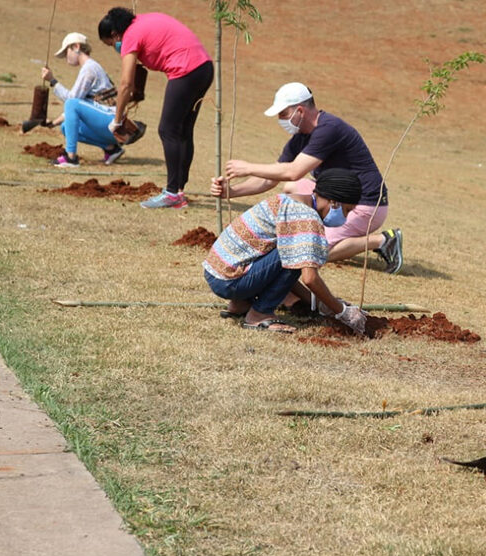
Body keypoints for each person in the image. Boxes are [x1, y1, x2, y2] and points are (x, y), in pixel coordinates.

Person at [209, 82, 403, 274]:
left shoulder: (329, 129)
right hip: (335, 200)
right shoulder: (301, 137)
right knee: (290, 187)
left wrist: (249, 167)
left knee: (313, 252)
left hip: (366, 205)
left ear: (300, 111)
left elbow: (294, 171)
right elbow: (271, 179)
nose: (280, 120)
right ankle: (317, 231)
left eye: (283, 114)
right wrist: (231, 192)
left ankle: (383, 241)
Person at [203, 168, 368, 334]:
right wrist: (342, 312)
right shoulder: (306, 217)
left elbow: (277, 271)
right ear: (334, 202)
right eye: (347, 210)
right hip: (230, 281)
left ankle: (239, 304)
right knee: (297, 253)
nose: (345, 217)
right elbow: (309, 278)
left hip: (216, 272)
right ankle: (259, 314)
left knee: (292, 251)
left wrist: (320, 304)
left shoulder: (287, 200)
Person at [98, 7, 214, 209]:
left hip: (185, 70)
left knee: (167, 130)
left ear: (115, 34)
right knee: (183, 131)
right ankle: (178, 190)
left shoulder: (130, 36)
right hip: (204, 68)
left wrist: (117, 119)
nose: (115, 48)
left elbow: (125, 83)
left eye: (111, 44)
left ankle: (171, 194)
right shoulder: (142, 22)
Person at [37, 32, 126, 168]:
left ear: (76, 47)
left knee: (72, 104)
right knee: (66, 127)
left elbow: (72, 101)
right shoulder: (90, 67)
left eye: (66, 52)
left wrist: (53, 81)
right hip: (110, 122)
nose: (66, 58)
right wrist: (53, 123)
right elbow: (78, 107)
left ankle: (71, 157)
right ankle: (111, 149)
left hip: (112, 122)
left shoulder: (89, 68)